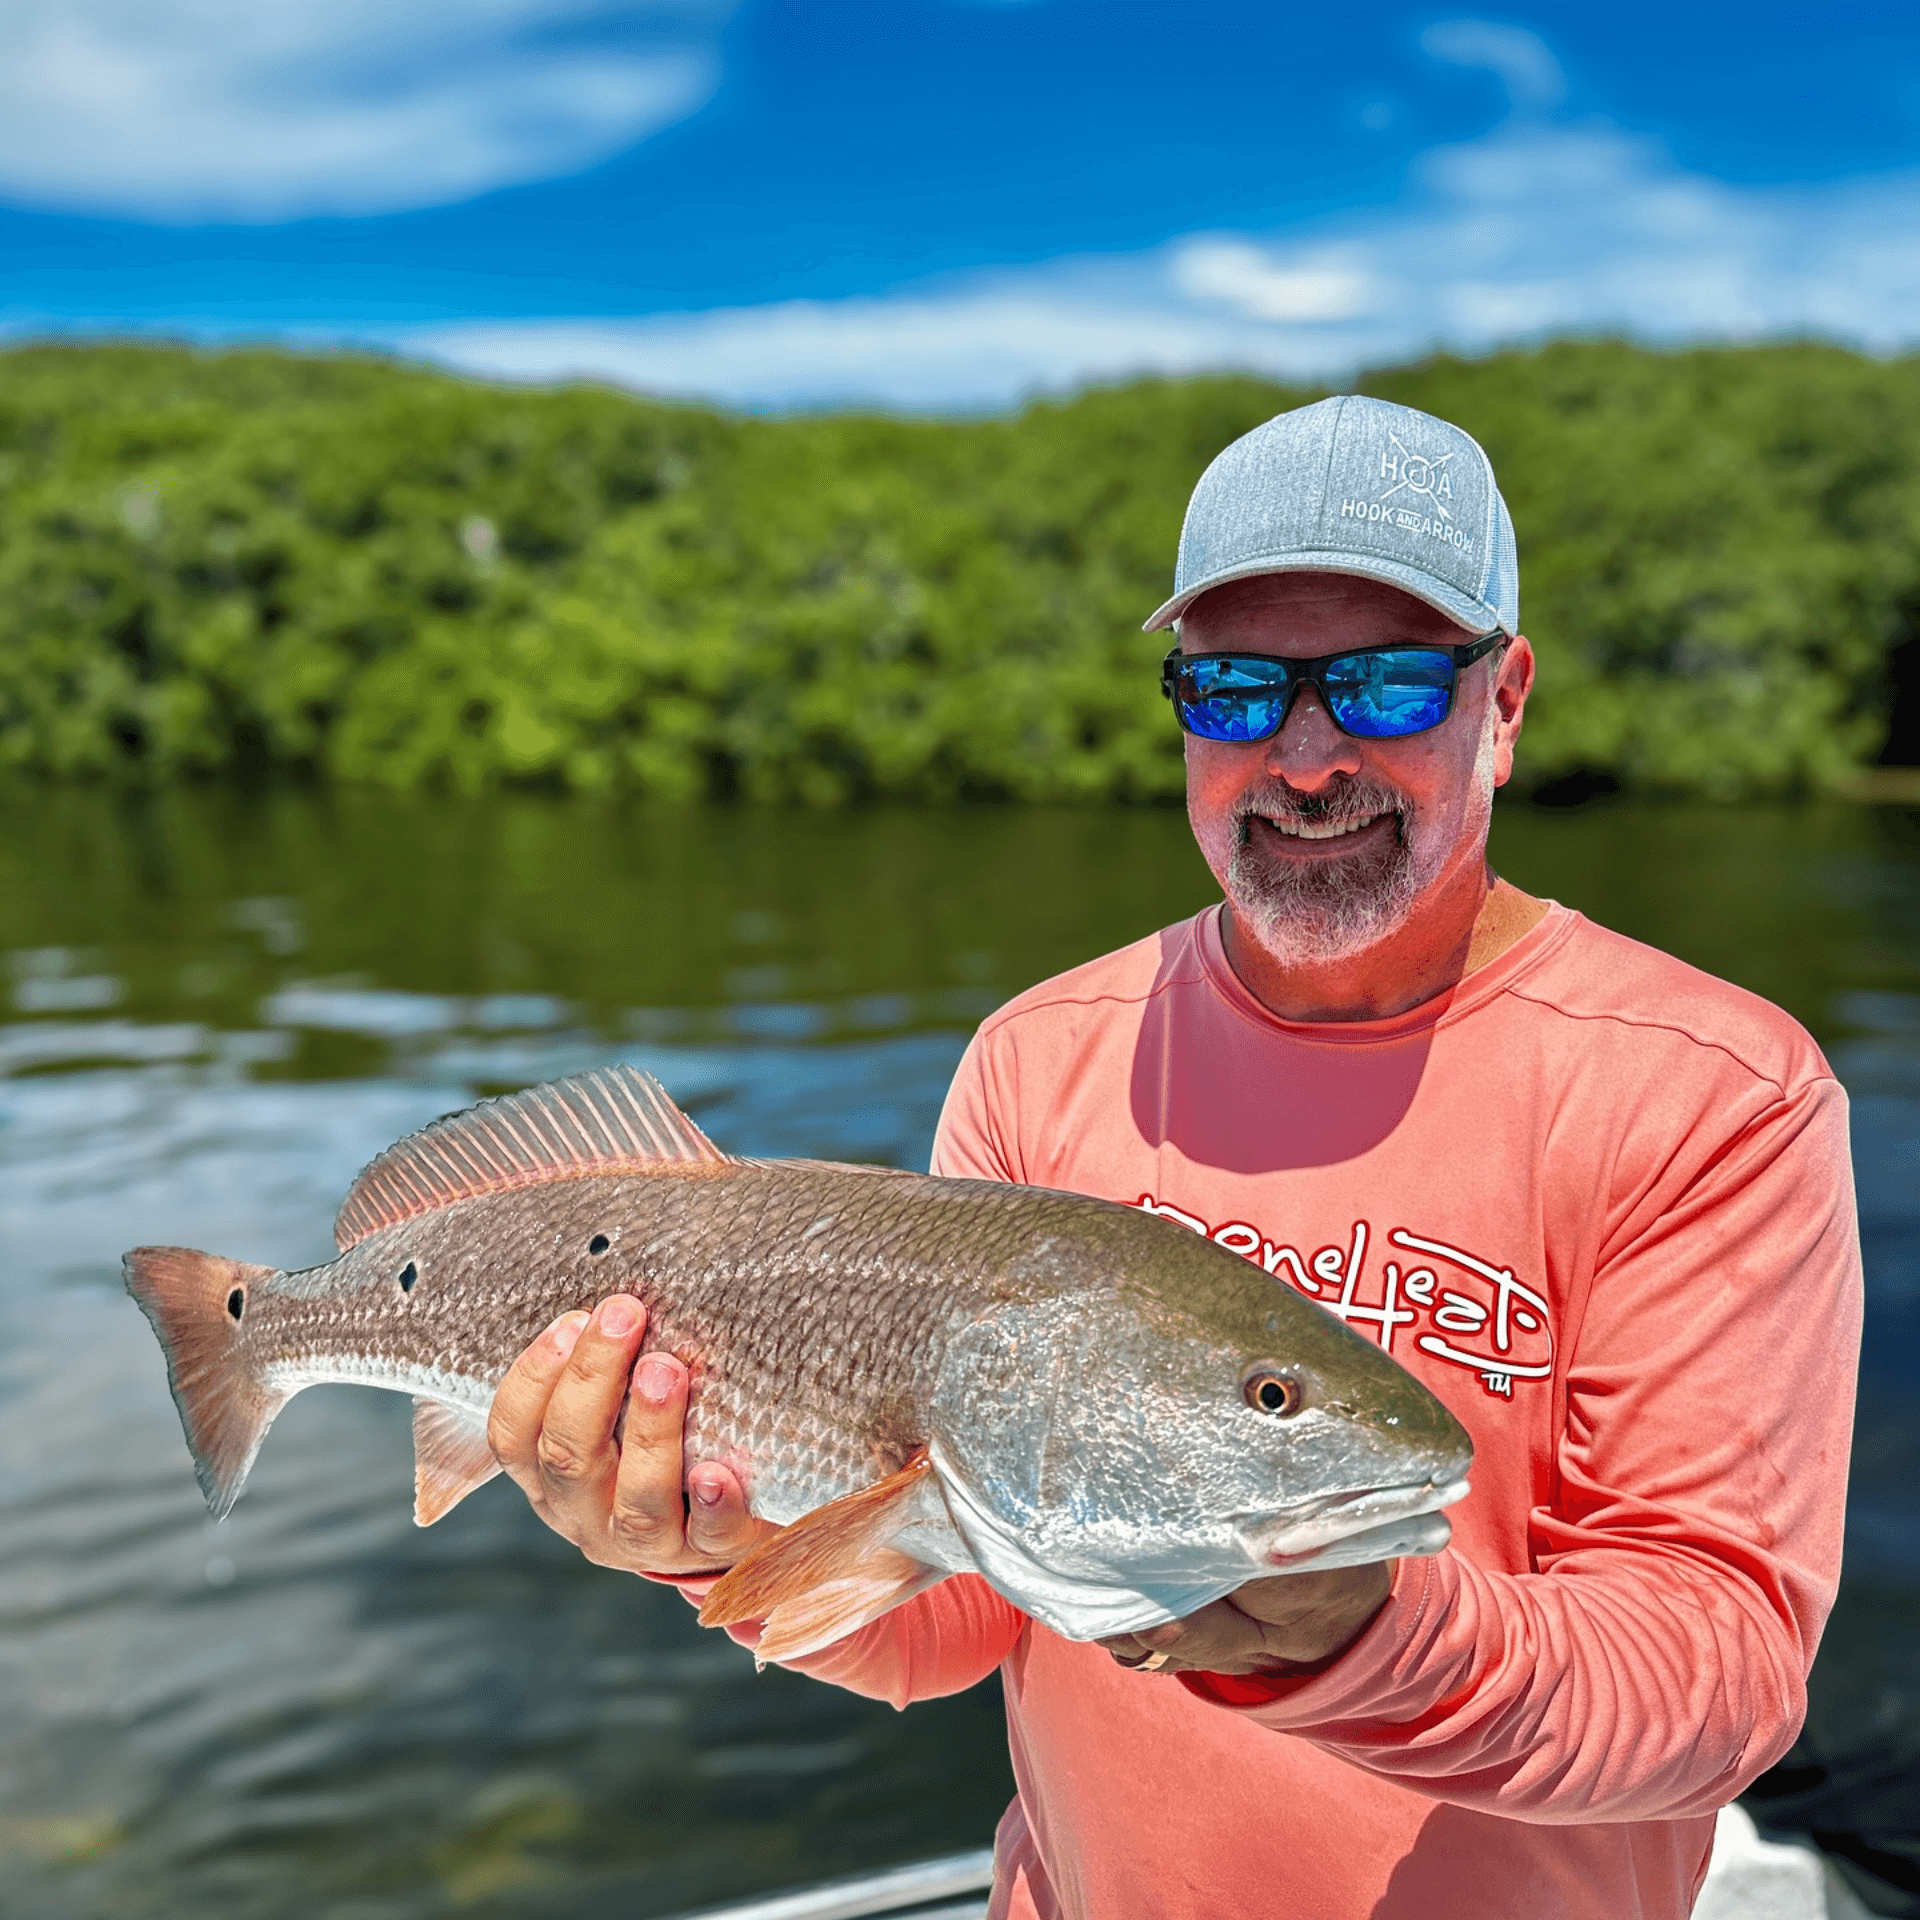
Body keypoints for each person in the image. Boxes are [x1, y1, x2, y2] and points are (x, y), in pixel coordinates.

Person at [484, 396, 1863, 1919]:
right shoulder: (1040, 1055)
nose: (1308, 754)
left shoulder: (1713, 1093)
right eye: (1234, 690)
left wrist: (1357, 1637)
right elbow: (952, 1623)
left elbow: (1720, 1680)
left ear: (1509, 699)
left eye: (1391, 686)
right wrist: (718, 1543)